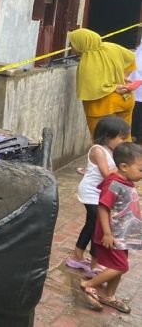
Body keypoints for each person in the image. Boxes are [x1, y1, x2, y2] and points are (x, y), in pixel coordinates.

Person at [79, 142, 142, 313]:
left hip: (121, 235)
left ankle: (109, 295)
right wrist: (107, 233)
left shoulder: (126, 181)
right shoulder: (114, 184)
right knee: (121, 266)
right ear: (124, 167)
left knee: (118, 266)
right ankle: (88, 284)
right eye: (140, 170)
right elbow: (103, 207)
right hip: (112, 235)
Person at [66, 115, 128, 277]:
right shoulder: (98, 150)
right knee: (97, 227)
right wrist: (123, 170)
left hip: (100, 193)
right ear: (108, 136)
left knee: (91, 224)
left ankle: (77, 257)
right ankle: (93, 263)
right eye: (121, 138)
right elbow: (107, 174)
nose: (122, 142)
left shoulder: (111, 151)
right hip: (90, 192)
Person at [70, 28, 137, 138]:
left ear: (82, 43)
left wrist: (113, 88)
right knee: (124, 138)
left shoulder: (86, 62)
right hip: (125, 98)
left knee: (102, 140)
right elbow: (131, 58)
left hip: (102, 106)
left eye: (73, 44)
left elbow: (92, 90)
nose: (72, 48)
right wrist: (123, 77)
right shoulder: (111, 47)